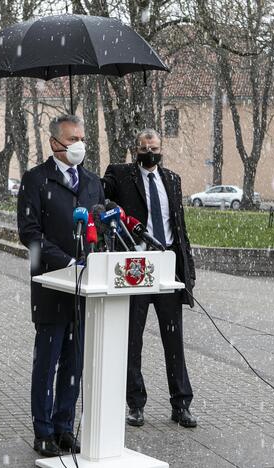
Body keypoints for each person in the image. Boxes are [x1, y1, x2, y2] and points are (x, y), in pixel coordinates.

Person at [17, 115, 105, 457]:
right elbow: (30, 233)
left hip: (86, 288)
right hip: (52, 285)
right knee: (48, 361)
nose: (80, 144)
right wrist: (67, 261)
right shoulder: (36, 180)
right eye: (73, 139)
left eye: (82, 137)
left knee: (74, 362)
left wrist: (94, 257)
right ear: (55, 143)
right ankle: (44, 431)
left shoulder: (93, 183)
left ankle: (65, 427)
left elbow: (98, 226)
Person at [102, 128, 197, 428]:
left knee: (174, 339)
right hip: (137, 266)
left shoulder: (172, 179)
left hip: (168, 263)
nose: (149, 153)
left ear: (162, 149)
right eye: (144, 148)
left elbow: (179, 226)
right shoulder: (120, 175)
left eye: (154, 148)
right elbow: (99, 197)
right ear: (135, 150)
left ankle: (181, 404)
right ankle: (135, 404)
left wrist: (188, 270)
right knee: (133, 338)